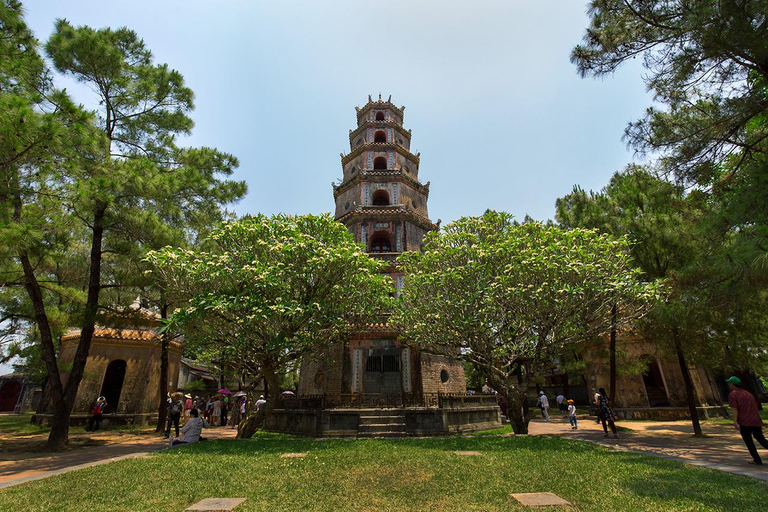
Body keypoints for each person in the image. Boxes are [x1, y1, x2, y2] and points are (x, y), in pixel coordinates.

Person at [727, 376, 768, 465]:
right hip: (755, 420)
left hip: (745, 421)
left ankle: (757, 459)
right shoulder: (748, 394)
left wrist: (735, 421)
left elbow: (734, 409)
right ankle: (757, 459)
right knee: (761, 438)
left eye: (729, 383)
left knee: (748, 441)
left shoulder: (733, 394)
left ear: (732, 384)